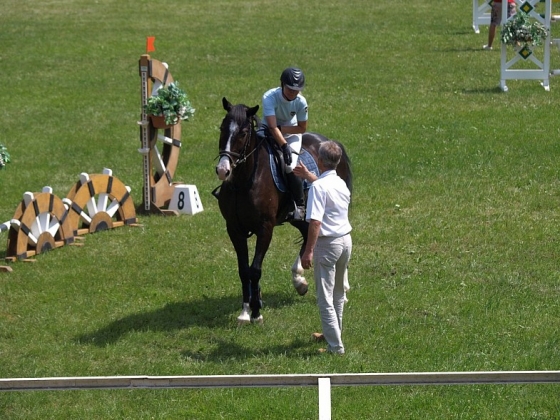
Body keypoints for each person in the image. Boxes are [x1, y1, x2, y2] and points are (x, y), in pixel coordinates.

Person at [293, 141, 352, 355]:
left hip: (327, 245)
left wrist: (308, 251)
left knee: (325, 298)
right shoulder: (341, 183)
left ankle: (335, 347)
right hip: (345, 242)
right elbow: (324, 188)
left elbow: (315, 222)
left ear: (319, 160)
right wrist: (309, 176)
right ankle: (332, 335)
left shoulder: (319, 187)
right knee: (337, 293)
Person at [261, 67, 308, 220]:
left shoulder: (301, 102)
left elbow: (301, 128)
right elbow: (272, 127)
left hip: (291, 134)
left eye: (296, 90)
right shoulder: (269, 97)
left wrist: (286, 141)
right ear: (282, 84)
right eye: (290, 89)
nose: (293, 93)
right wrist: (283, 145)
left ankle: (299, 205)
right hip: (268, 130)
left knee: (290, 166)